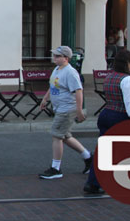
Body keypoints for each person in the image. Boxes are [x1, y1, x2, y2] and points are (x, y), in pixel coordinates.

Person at [84, 49, 130, 194]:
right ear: (127, 63)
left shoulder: (110, 76)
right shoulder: (128, 80)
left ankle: (93, 182)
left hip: (107, 113)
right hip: (120, 116)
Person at [38, 45, 92, 179]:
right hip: (59, 108)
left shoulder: (70, 72)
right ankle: (88, 157)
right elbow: (53, 86)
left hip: (66, 109)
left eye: (57, 56)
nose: (54, 58)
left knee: (56, 135)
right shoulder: (57, 69)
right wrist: (45, 98)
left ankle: (56, 168)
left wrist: (79, 111)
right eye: (54, 55)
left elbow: (78, 91)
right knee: (65, 136)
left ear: (66, 58)